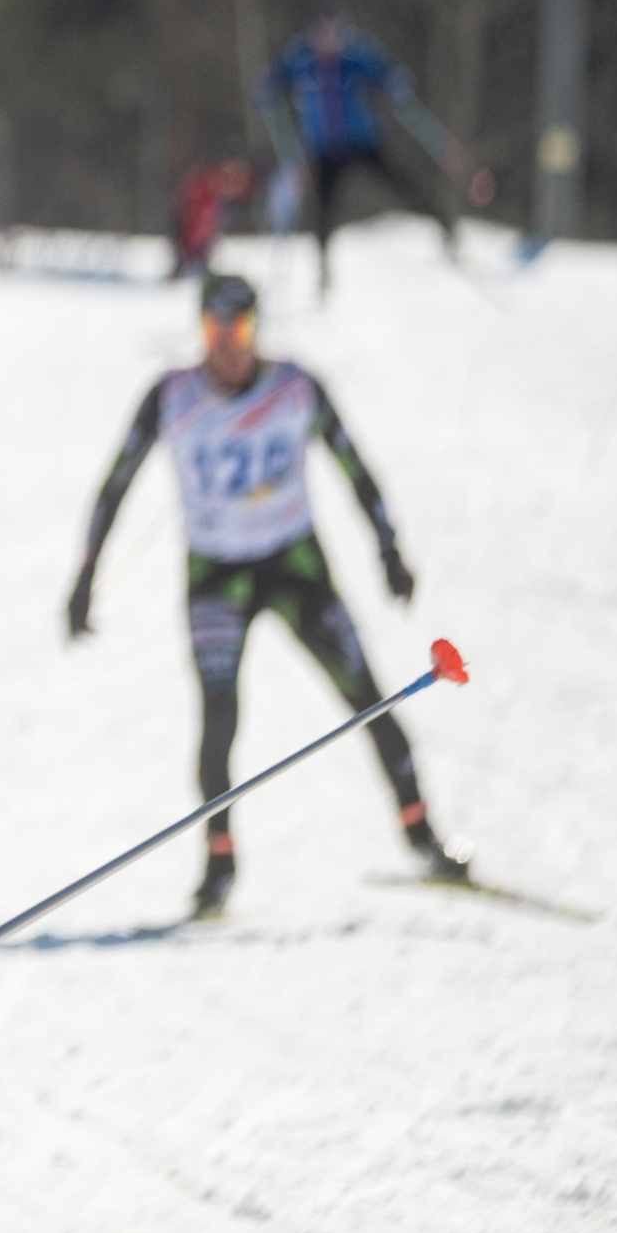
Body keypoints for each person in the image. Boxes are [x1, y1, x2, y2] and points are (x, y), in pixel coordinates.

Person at [64, 274, 468, 917]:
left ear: (258, 329)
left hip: (294, 566)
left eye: (241, 330)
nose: (228, 346)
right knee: (219, 718)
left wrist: (388, 548)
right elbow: (115, 485)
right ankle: (219, 864)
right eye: (215, 331)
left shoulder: (294, 389)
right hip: (216, 579)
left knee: (367, 695)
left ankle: (423, 837)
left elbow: (355, 467)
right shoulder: (171, 396)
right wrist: (86, 578)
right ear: (201, 331)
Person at [256, 8, 485, 292]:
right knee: (323, 209)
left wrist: (394, 82)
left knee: (403, 184)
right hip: (326, 150)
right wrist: (267, 86)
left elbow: (385, 71)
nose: (328, 40)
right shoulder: (301, 59)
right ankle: (324, 266)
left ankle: (446, 229)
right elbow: (275, 78)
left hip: (363, 142)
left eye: (333, 33)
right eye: (322, 34)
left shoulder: (355, 56)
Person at [171, 157, 254, 279]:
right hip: (194, 220)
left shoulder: (218, 185)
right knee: (188, 243)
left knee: (201, 243)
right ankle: (185, 266)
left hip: (204, 220)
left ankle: (196, 265)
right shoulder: (206, 182)